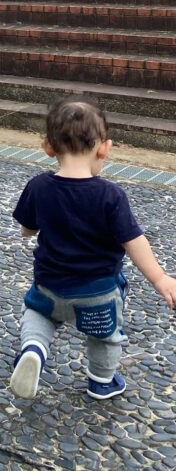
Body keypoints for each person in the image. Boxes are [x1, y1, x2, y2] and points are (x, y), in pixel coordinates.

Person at [10, 97, 176, 401]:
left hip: (49, 284)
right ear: (104, 148)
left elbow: (28, 228)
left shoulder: (38, 187)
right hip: (97, 294)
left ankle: (34, 348)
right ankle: (102, 381)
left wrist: (28, 231)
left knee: (38, 314)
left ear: (47, 146)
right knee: (105, 336)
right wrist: (160, 278)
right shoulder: (111, 196)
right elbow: (134, 241)